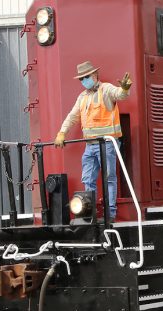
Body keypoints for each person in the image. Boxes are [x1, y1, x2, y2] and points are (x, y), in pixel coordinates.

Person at [54, 61, 132, 221]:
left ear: (95, 75)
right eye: (81, 79)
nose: (84, 81)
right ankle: (90, 214)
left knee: (109, 178)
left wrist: (125, 88)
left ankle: (110, 214)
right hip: (90, 145)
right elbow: (72, 116)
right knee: (88, 179)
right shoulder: (82, 97)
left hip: (107, 143)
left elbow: (120, 94)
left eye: (86, 77)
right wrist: (62, 132)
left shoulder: (106, 89)